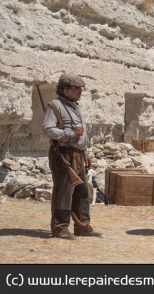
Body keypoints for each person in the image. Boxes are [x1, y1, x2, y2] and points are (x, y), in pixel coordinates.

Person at [42, 73, 102, 239]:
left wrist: (84, 152)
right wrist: (70, 133)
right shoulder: (54, 106)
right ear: (65, 91)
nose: (80, 91)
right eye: (76, 88)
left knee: (81, 192)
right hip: (62, 153)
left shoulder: (75, 107)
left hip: (77, 154)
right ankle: (60, 228)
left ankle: (83, 226)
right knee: (63, 191)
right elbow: (48, 129)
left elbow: (80, 134)